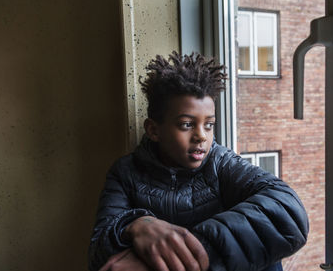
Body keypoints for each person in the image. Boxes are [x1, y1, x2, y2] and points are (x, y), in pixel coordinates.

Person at [88, 52, 309, 271]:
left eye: (209, 125)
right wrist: (137, 225)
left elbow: (288, 213)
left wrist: (180, 253)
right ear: (154, 130)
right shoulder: (126, 172)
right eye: (186, 124)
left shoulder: (221, 163)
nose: (201, 136)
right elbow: (99, 255)